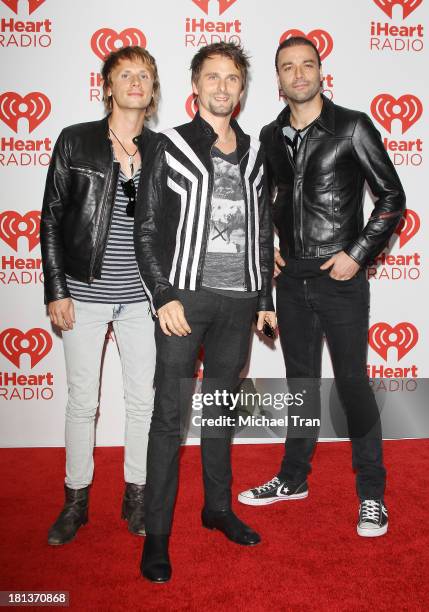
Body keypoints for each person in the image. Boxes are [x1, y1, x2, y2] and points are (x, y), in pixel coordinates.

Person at [238, 37, 405, 537]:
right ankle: (294, 478)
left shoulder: (351, 126)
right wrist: (266, 269)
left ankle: (372, 494)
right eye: (288, 67)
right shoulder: (269, 136)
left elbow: (393, 197)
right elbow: (264, 208)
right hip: (291, 282)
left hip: (340, 280)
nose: (298, 74)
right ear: (279, 79)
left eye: (306, 65)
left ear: (319, 70)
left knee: (352, 384)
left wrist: (357, 255)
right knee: (301, 386)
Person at [134, 42, 276, 582]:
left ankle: (217, 509)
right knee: (169, 418)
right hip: (184, 301)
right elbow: (145, 229)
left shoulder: (258, 153)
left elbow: (263, 231)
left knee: (220, 412)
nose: (222, 86)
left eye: (231, 79)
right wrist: (163, 295)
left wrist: (264, 298)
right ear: (195, 86)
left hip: (239, 301)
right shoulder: (167, 146)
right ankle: (158, 535)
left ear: (242, 90)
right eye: (212, 77)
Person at [40, 46, 160, 545]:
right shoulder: (76, 140)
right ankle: (76, 500)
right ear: (106, 85)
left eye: (145, 75)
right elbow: (50, 217)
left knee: (142, 402)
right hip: (83, 294)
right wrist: (57, 287)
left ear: (153, 90)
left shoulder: (162, 149)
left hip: (141, 300)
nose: (136, 81)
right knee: (80, 403)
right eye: (125, 74)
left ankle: (137, 497)